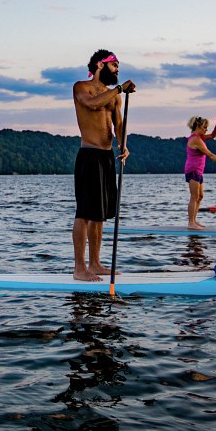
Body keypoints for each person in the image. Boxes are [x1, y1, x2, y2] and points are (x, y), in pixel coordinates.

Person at [72, 49, 136, 282]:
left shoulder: (114, 96)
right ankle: (79, 268)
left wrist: (123, 144)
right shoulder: (82, 87)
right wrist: (119, 89)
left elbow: (118, 123)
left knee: (100, 215)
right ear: (100, 65)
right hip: (88, 155)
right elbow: (90, 104)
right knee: (84, 213)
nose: (118, 69)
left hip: (107, 157)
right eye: (114, 64)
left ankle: (95, 263)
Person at [184, 116, 216, 229]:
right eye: (205, 127)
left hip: (199, 171)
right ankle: (191, 223)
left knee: (200, 196)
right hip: (192, 169)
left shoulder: (199, 137)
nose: (206, 129)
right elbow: (210, 155)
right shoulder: (195, 139)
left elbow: (212, 136)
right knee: (194, 196)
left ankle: (194, 221)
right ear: (198, 127)